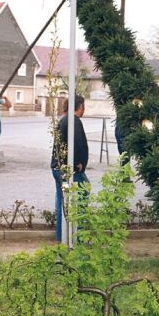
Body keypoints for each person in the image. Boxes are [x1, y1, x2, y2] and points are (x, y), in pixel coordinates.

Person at [51, 95, 90, 243]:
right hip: (70, 170)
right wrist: (78, 164)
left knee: (63, 202)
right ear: (80, 107)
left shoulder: (63, 120)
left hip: (58, 167)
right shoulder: (74, 122)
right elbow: (77, 144)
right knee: (80, 196)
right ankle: (77, 237)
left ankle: (62, 236)